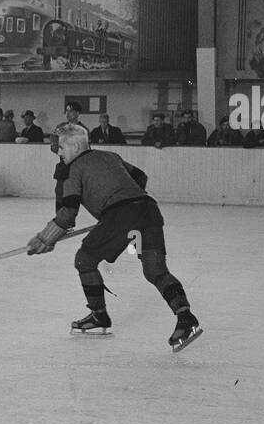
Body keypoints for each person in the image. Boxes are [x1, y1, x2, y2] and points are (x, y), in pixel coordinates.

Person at [27, 123, 202, 352]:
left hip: (121, 218)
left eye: (61, 148)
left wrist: (44, 239)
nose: (59, 153)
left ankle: (99, 317)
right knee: (155, 271)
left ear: (75, 146)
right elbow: (140, 177)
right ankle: (185, 317)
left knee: (84, 260)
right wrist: (116, 205)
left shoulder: (73, 168)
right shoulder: (110, 155)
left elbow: (68, 213)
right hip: (148, 211)